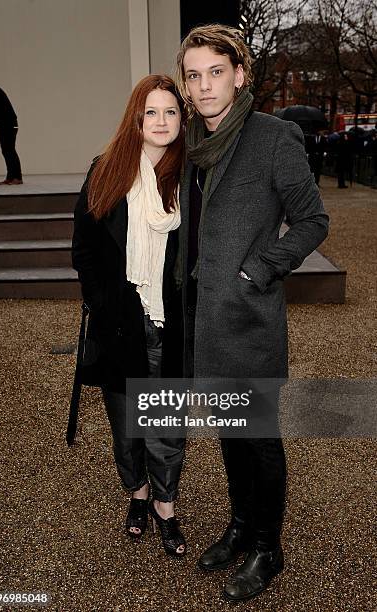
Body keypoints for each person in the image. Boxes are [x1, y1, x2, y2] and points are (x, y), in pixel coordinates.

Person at [175, 24, 329, 601]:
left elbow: (313, 220)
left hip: (250, 316)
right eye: (194, 74)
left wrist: (259, 269)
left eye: (216, 72)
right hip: (205, 319)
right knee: (229, 433)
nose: (205, 85)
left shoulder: (271, 138)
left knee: (259, 437)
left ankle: (269, 546)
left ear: (239, 76)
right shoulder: (192, 143)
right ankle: (241, 528)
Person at [72, 75, 186, 557]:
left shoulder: (194, 177)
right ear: (136, 120)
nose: (161, 122)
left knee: (167, 426)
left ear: (183, 119)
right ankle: (137, 493)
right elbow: (85, 251)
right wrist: (104, 304)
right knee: (127, 426)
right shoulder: (106, 171)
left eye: (171, 112)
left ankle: (165, 503)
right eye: (151, 113)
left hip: (171, 321)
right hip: (121, 321)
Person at [0, 80, 23, 185]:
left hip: (10, 125)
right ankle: (10, 177)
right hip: (4, 125)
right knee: (6, 150)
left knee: (9, 150)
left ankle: (17, 177)